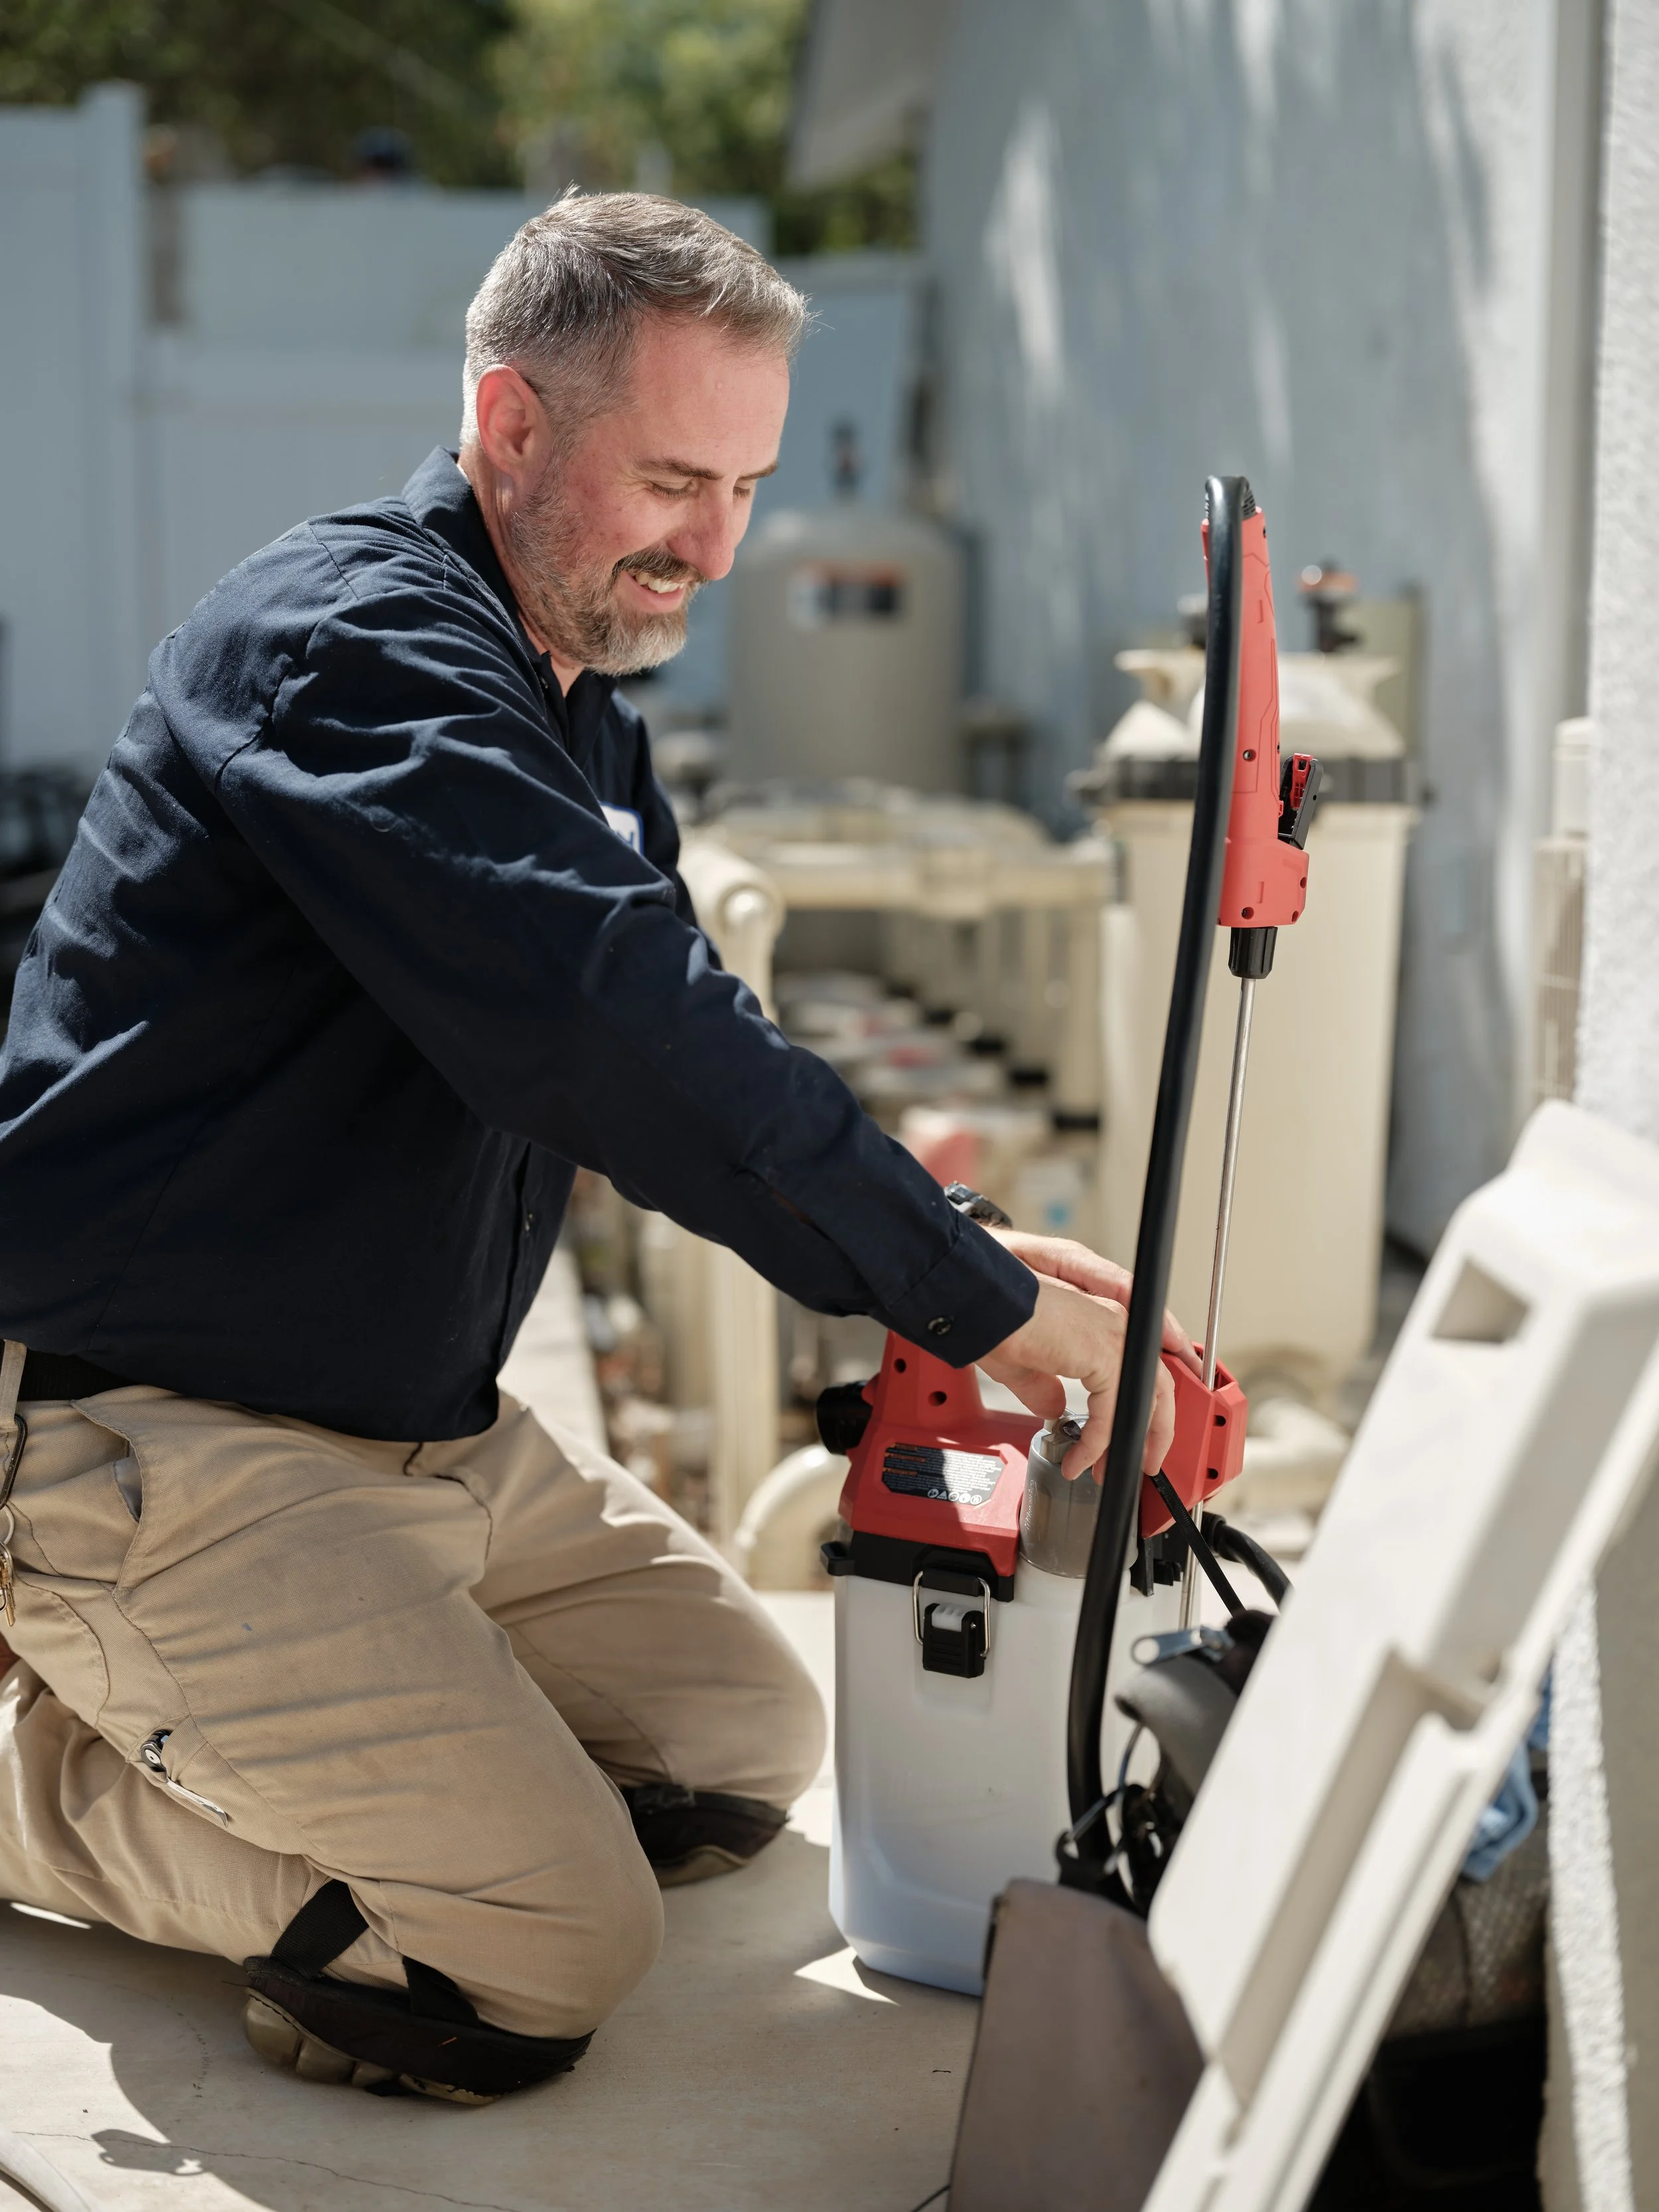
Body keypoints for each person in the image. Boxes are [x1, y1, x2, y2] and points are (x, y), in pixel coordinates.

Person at [0, 192, 1190, 2105]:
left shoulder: (570, 695)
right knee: (537, 1954)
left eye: (744, 485)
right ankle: (29, 1784)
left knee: (730, 1747)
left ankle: (287, 1695)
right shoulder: (352, 648)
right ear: (511, 421)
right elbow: (600, 1023)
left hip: (430, 1431)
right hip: (159, 1436)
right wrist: (954, 1300)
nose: (715, 548)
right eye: (672, 479)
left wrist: (953, 1236)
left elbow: (684, 1041)